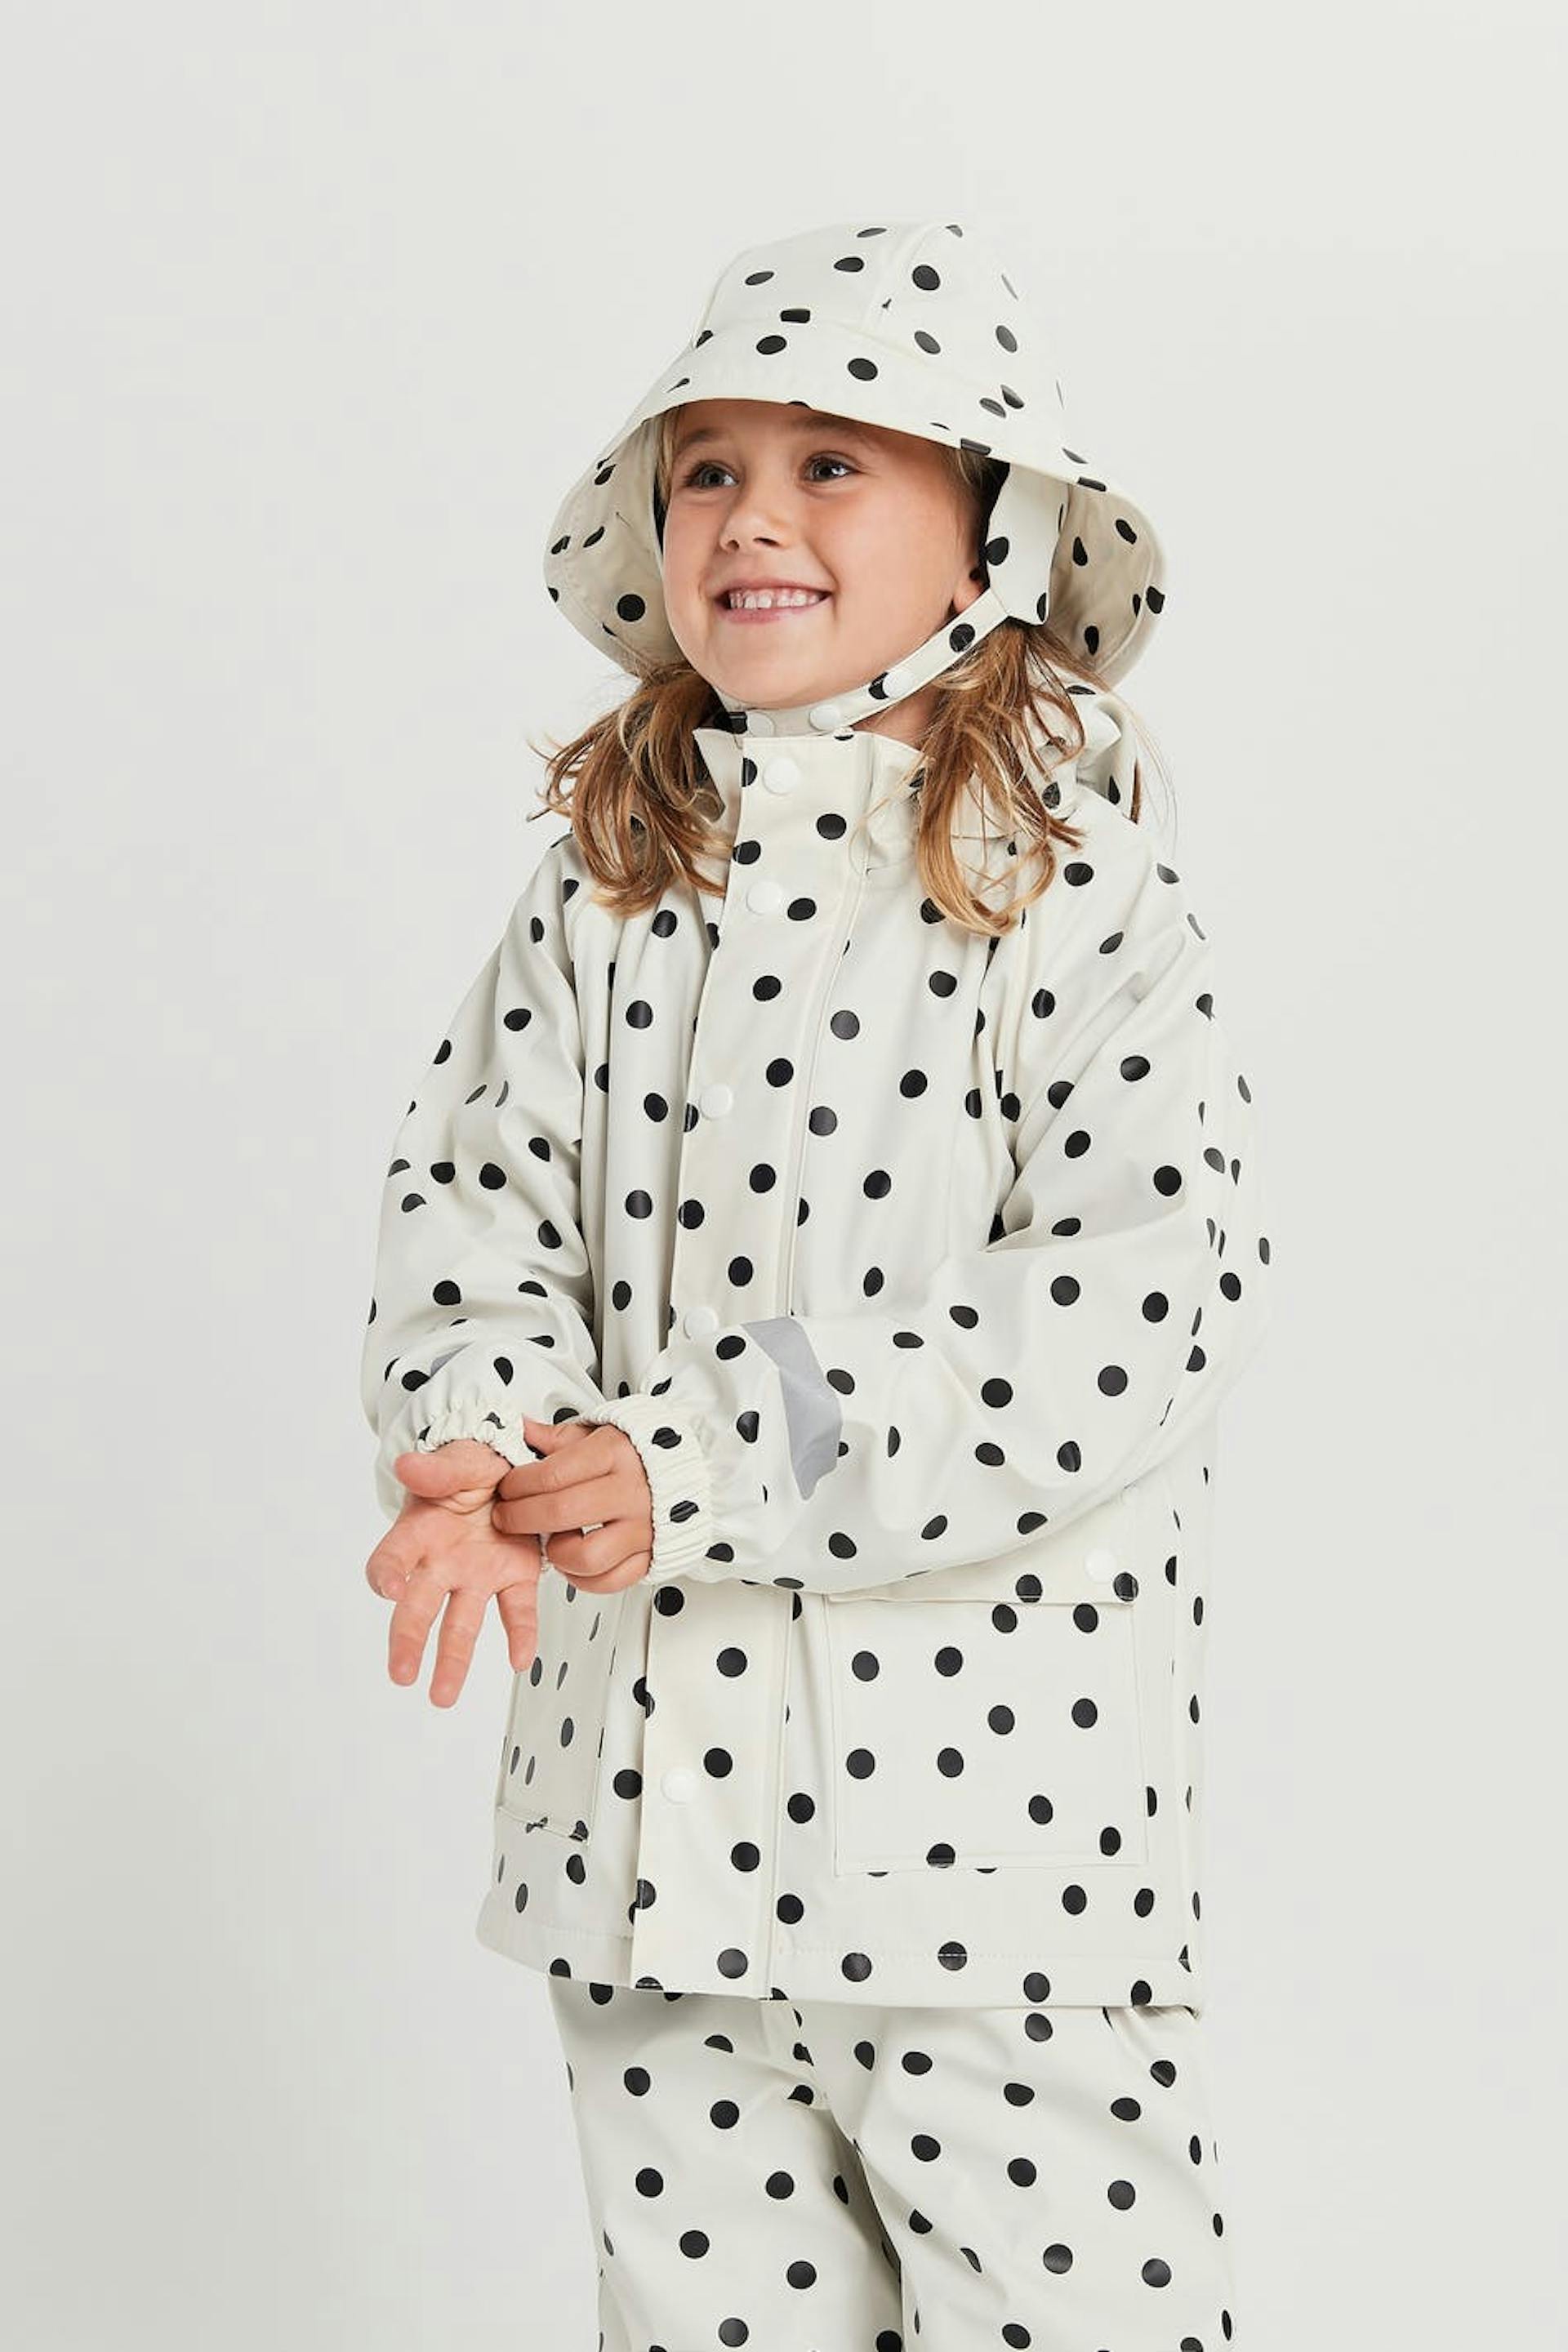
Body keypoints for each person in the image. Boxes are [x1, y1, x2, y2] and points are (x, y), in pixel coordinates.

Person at [358, 215, 1274, 2350]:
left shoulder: (1077, 888)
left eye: (833, 461)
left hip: (985, 1849)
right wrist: (484, 1439)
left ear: (995, 531)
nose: (751, 516)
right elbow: (473, 1199)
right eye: (706, 470)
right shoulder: (603, 895)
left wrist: (691, 1460)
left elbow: (1132, 1306)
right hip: (646, 1841)